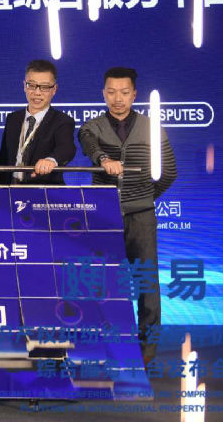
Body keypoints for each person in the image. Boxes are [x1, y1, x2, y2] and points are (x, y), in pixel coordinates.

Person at [78, 67, 177, 365]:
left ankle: (147, 350)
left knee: (147, 283)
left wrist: (142, 198)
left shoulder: (151, 127)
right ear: (103, 94)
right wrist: (104, 159)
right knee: (102, 280)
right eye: (111, 92)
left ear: (134, 94)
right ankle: (108, 343)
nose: (117, 98)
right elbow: (89, 145)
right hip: (103, 216)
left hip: (141, 217)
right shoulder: (92, 127)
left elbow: (169, 172)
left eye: (124, 92)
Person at [0, 59, 76, 185]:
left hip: (44, 190)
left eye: (44, 87)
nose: (37, 92)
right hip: (11, 188)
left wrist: (51, 160)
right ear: (24, 86)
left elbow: (67, 148)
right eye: (32, 85)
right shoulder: (13, 118)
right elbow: (4, 158)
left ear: (54, 89)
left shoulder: (62, 121)